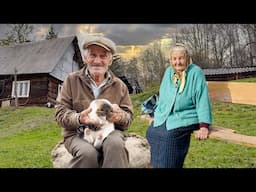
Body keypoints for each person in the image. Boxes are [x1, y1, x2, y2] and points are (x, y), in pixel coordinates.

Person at [55, 35, 133, 168]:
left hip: (109, 132)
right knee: (87, 154)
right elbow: (60, 113)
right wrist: (79, 118)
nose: (97, 61)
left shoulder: (120, 86)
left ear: (110, 61)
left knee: (115, 146)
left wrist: (120, 116)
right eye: (92, 55)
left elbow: (128, 118)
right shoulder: (72, 80)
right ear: (85, 58)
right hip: (77, 134)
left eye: (103, 56)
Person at [146, 43, 212, 168]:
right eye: (174, 59)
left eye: (181, 58)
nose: (178, 62)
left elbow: (202, 99)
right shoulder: (168, 72)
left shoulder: (196, 72)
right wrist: (155, 115)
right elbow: (163, 96)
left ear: (187, 58)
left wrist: (204, 126)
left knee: (169, 135)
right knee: (152, 131)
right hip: (167, 115)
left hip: (187, 115)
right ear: (170, 60)